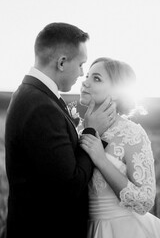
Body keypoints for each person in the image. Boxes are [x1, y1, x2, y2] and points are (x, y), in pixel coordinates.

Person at [4, 23, 116, 238]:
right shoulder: (40, 106)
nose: (83, 73)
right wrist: (91, 130)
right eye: (81, 64)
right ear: (62, 62)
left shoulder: (32, 94)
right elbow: (69, 186)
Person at [80, 57, 160, 238]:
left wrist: (101, 160)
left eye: (96, 78)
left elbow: (145, 202)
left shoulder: (132, 134)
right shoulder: (80, 130)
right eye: (87, 76)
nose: (85, 82)